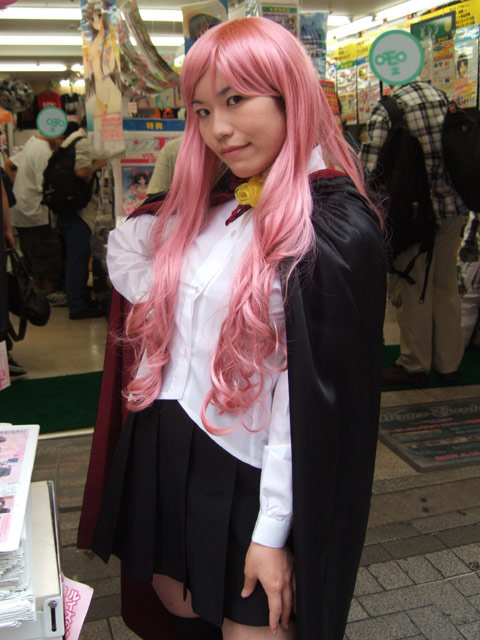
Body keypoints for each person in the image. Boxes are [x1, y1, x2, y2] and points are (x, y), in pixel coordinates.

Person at [80, 17, 386, 640]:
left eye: (236, 99)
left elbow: (309, 402)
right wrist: (170, 280)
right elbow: (130, 255)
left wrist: (272, 531)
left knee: (256, 626)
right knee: (176, 612)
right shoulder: (210, 205)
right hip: (164, 445)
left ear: (289, 96)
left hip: (255, 470)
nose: (217, 128)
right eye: (201, 110)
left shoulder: (330, 229)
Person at [361, 81, 466, 386]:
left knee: (411, 289)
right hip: (450, 209)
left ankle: (414, 365)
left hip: (410, 217)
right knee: (446, 287)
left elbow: (369, 170)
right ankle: (449, 364)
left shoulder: (388, 110)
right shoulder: (446, 100)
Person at [56, 118, 107, 319]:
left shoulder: (70, 141)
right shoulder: (83, 142)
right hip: (78, 210)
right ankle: (77, 306)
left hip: (68, 208)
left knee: (76, 258)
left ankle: (80, 299)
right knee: (78, 258)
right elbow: (81, 171)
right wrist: (100, 163)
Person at [7, 130, 64, 297]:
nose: (60, 142)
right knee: (46, 255)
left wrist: (18, 186)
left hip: (21, 210)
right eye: (60, 137)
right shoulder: (43, 150)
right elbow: (44, 185)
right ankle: (46, 294)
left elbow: (9, 164)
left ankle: (37, 293)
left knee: (32, 256)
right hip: (35, 212)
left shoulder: (31, 143)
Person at [83, 0, 122, 154]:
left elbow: (111, 64)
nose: (96, 21)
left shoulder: (109, 39)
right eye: (92, 18)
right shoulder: (93, 41)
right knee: (99, 141)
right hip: (99, 89)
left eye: (99, 16)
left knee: (110, 139)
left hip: (108, 87)